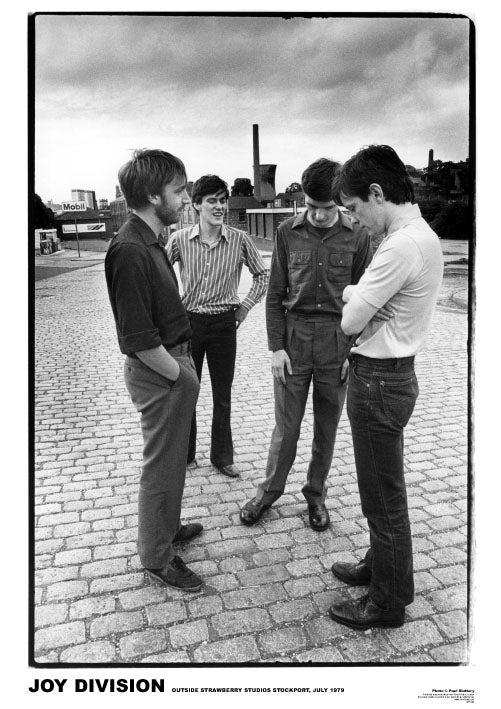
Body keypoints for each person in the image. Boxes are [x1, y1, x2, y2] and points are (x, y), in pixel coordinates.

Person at [328, 144, 444, 630]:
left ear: (377, 193)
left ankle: (387, 602)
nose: (355, 221)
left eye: (354, 209)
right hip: (390, 376)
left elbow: (350, 318)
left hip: (379, 380)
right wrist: (363, 296)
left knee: (383, 498)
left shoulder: (401, 244)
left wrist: (355, 293)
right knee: (379, 491)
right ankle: (382, 566)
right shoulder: (420, 236)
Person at [240, 158, 373, 530]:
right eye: (311, 207)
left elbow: (365, 299)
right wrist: (276, 348)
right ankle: (268, 493)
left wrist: (355, 349)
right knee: (286, 427)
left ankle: (316, 495)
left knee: (326, 428)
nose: (317, 215)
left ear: (340, 204)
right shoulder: (286, 232)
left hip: (338, 341)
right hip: (294, 342)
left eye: (326, 208)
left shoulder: (358, 236)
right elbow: (274, 294)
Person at [105, 149, 203, 592]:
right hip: (160, 370)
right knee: (161, 467)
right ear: (151, 195)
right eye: (179, 190)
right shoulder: (128, 249)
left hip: (171, 364)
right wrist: (180, 376)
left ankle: (166, 527)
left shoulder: (150, 239)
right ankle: (157, 556)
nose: (186, 198)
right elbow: (139, 338)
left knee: (172, 463)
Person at [167, 175, 268, 478]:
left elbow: (262, 275)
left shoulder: (239, 239)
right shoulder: (180, 239)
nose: (219, 206)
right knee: (188, 392)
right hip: (190, 324)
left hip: (225, 325)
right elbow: (160, 273)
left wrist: (245, 308)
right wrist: (172, 310)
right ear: (197, 204)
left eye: (222, 200)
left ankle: (222, 457)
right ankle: (184, 455)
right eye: (212, 200)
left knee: (223, 394)